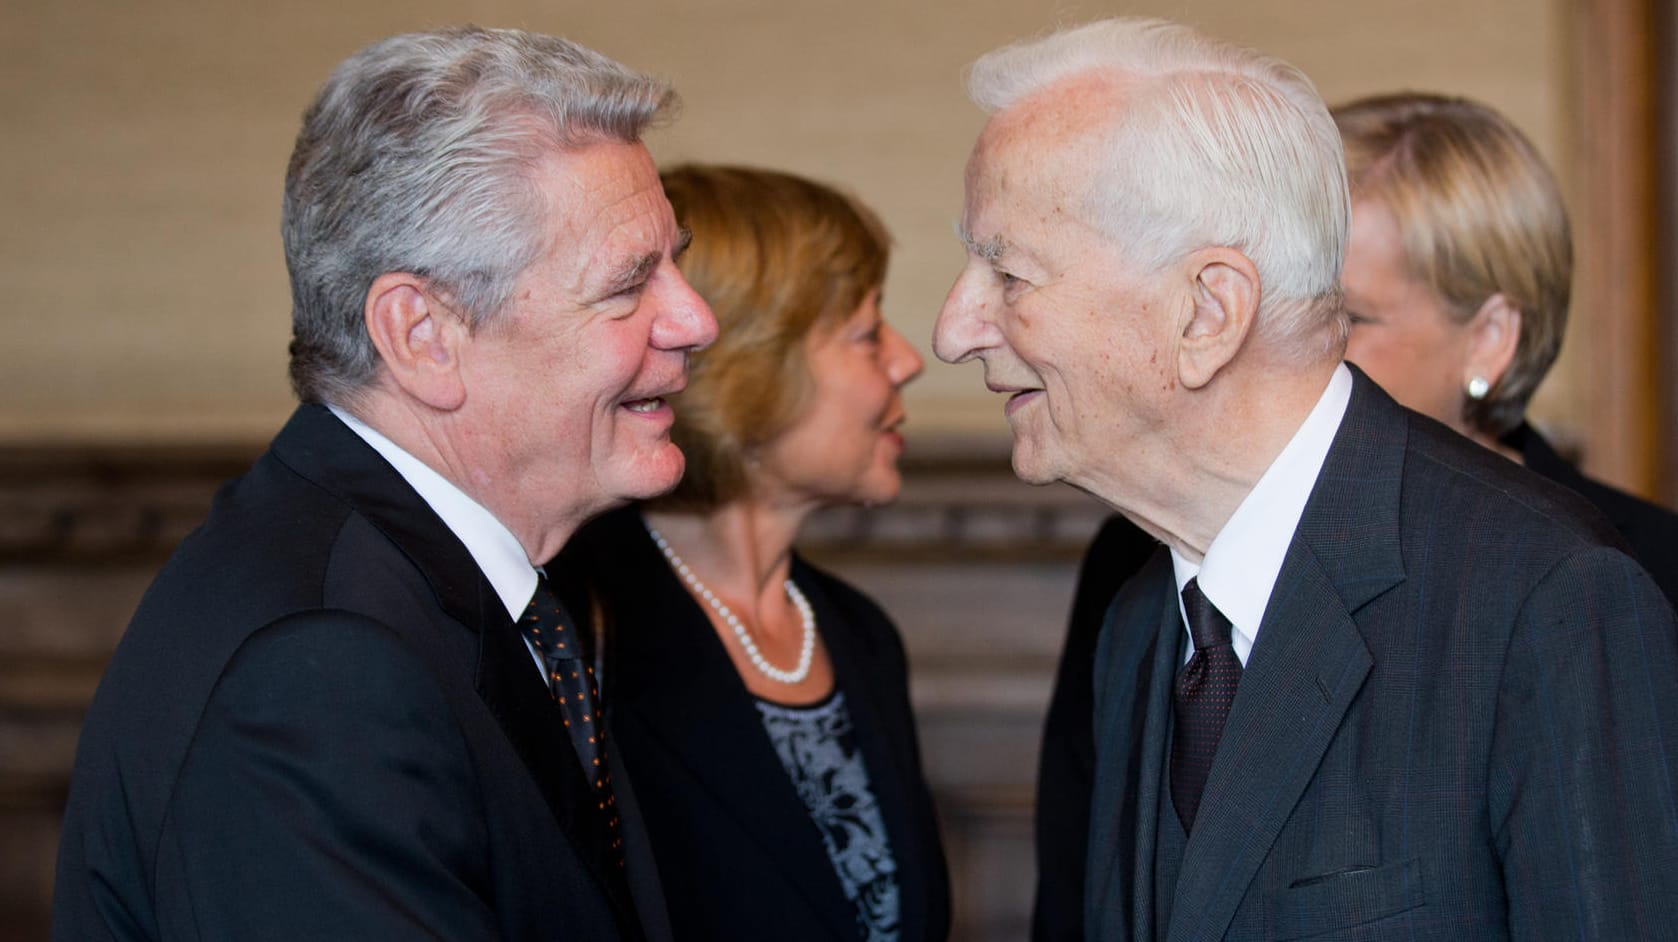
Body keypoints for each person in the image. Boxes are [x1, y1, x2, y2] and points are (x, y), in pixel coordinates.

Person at [933, 17, 1678, 941]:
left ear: (1208, 312)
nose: (952, 330)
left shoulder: (1545, 601)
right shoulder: (1141, 621)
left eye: (1007, 273)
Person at [52, 27, 716, 941]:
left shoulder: (425, 583)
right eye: (630, 282)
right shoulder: (318, 670)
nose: (695, 318)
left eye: (675, 262)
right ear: (422, 336)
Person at [555, 164, 950, 942]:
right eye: (867, 333)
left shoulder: (858, 633)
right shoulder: (570, 627)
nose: (907, 359)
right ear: (747, 371)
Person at [1335, 91, 1678, 604]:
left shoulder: (1643, 574)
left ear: (1488, 340)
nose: (1286, 345)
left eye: (1347, 317)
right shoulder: (1224, 534)